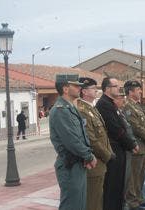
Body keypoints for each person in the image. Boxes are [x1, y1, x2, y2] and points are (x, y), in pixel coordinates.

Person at [49, 74, 97, 210]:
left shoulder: (70, 107)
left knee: (79, 204)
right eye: (75, 86)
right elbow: (72, 140)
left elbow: (81, 136)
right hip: (70, 166)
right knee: (71, 205)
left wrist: (86, 156)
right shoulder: (61, 110)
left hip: (78, 164)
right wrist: (88, 155)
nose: (79, 88)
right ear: (65, 89)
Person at [96, 77, 139, 210]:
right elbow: (116, 129)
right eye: (116, 86)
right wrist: (131, 144)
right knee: (112, 186)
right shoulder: (104, 104)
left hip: (119, 149)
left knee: (118, 185)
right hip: (114, 149)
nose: (119, 88)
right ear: (107, 88)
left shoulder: (110, 103)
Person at [77, 77, 114, 210]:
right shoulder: (82, 110)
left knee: (98, 198)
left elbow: (103, 134)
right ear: (84, 92)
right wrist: (107, 154)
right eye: (93, 88)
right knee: (92, 201)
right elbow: (91, 139)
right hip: (95, 163)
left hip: (100, 162)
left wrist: (108, 153)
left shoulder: (91, 109)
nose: (96, 90)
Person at [123, 80, 145, 210]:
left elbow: (143, 125)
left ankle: (140, 198)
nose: (140, 91)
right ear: (130, 92)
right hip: (137, 147)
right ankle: (132, 202)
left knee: (141, 175)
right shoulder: (128, 107)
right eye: (138, 90)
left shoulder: (137, 105)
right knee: (134, 176)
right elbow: (135, 127)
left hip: (143, 147)